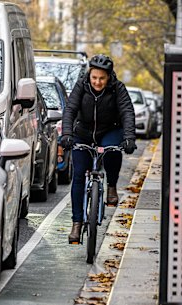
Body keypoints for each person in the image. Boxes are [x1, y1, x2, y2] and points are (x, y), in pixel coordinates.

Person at [60, 54, 137, 244]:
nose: (97, 81)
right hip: (83, 132)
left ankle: (111, 185)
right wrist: (67, 134)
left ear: (109, 76)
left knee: (111, 150)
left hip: (109, 129)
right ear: (90, 75)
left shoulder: (118, 88)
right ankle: (77, 223)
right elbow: (70, 110)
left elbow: (127, 112)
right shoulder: (81, 86)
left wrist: (129, 138)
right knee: (78, 175)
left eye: (102, 78)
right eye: (94, 77)